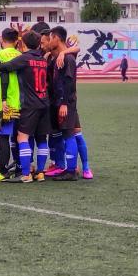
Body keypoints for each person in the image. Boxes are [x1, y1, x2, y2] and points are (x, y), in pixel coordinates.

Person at [0, 31, 50, 184]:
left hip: (30, 104)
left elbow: (3, 67)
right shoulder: (43, 60)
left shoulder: (24, 58)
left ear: (23, 43)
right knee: (42, 138)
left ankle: (25, 174)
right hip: (45, 103)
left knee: (22, 137)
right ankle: (40, 173)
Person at [47, 26, 84, 181]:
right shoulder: (59, 57)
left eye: (50, 38)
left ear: (56, 38)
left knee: (69, 134)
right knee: (66, 134)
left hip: (66, 103)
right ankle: (68, 169)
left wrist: (64, 103)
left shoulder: (67, 59)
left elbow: (68, 83)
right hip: (61, 102)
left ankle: (71, 170)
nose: (49, 42)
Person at [0, 28, 21, 182]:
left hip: (6, 104)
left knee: (3, 137)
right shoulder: (21, 55)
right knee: (20, 137)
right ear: (16, 41)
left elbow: (2, 76)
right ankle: (21, 169)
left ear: (2, 39)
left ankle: (3, 171)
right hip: (22, 103)